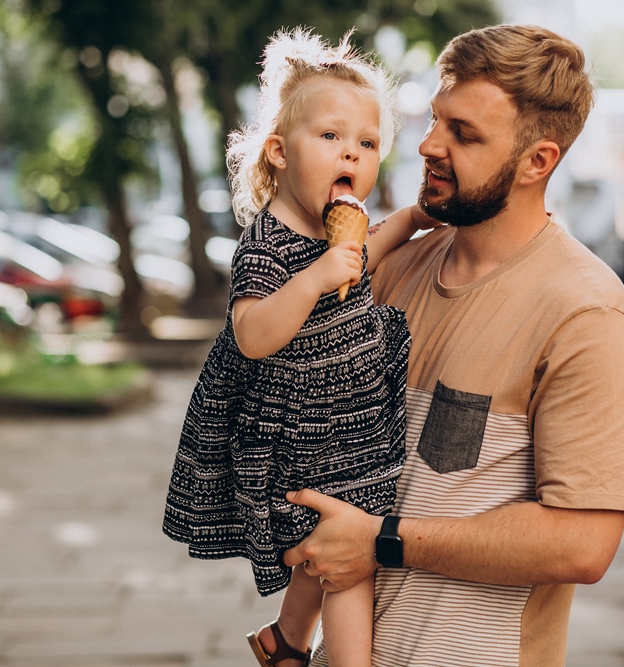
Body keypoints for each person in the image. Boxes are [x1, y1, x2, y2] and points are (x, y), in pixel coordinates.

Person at [284, 24, 624, 667]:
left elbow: (583, 543)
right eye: (435, 120)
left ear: (539, 161)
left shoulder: (585, 314)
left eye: (465, 134)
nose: (428, 145)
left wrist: (382, 542)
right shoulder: (390, 270)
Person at [162, 28, 419, 667]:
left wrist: (409, 222)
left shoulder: (338, 234)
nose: (351, 154)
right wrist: (315, 278)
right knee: (346, 563)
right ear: (278, 152)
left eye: (366, 143)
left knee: (327, 549)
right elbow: (252, 334)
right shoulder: (267, 245)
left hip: (352, 423)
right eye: (330, 137)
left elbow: (361, 256)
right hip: (298, 434)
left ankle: (286, 642)